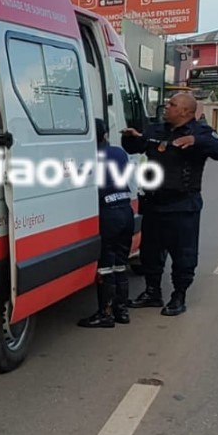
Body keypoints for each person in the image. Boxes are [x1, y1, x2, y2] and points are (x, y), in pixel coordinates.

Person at [122, 92, 218, 316]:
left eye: (172, 104)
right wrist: (131, 138)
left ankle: (179, 295)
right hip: (153, 202)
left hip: (182, 205)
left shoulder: (200, 131)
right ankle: (152, 292)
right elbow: (135, 148)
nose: (166, 106)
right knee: (150, 252)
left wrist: (197, 142)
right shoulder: (157, 129)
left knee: (183, 254)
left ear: (185, 111)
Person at [78, 120, 134, 328]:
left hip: (108, 214)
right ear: (105, 135)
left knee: (105, 266)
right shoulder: (119, 153)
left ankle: (105, 313)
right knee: (121, 262)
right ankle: (122, 311)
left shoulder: (90, 158)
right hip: (126, 210)